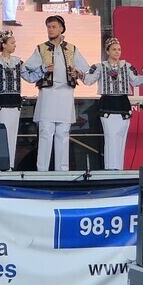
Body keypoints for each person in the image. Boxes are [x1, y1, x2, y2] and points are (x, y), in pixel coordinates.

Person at [25, 15, 90, 172]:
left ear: (61, 28)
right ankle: (42, 171)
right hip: (48, 94)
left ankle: (62, 172)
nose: (50, 29)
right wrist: (42, 70)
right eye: (48, 27)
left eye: (53, 26)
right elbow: (26, 70)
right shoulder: (41, 49)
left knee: (63, 133)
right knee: (46, 133)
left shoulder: (72, 49)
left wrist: (77, 73)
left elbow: (86, 71)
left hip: (66, 94)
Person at [0, 30, 41, 169]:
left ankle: (10, 166)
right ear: (4, 45)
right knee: (3, 134)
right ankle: (2, 164)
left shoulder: (17, 62)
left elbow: (29, 77)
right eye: (12, 43)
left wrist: (43, 70)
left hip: (15, 103)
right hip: (1, 103)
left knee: (13, 134)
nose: (14, 45)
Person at [85, 37, 143, 170]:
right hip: (108, 104)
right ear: (107, 51)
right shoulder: (100, 67)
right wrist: (79, 74)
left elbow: (136, 81)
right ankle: (111, 169)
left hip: (123, 104)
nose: (117, 52)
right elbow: (88, 80)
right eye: (114, 49)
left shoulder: (126, 66)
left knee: (121, 138)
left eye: (119, 49)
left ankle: (119, 169)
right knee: (111, 137)